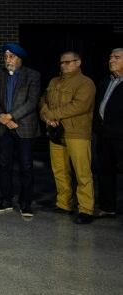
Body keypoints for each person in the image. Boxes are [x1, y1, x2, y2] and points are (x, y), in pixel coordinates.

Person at [40, 51, 96, 224]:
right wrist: (46, 116)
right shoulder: (54, 81)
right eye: (62, 63)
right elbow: (43, 101)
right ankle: (64, 204)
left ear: (78, 62)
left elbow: (79, 106)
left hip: (77, 133)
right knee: (60, 170)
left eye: (68, 62)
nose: (64, 65)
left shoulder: (86, 83)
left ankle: (86, 209)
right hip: (55, 132)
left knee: (82, 173)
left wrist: (53, 115)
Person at [0, 43, 41, 216]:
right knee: (4, 165)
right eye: (5, 56)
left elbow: (32, 102)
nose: (7, 59)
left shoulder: (32, 75)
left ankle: (26, 204)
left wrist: (11, 116)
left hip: (24, 127)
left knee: (25, 166)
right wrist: (2, 117)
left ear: (20, 59)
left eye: (11, 56)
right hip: (3, 128)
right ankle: (6, 200)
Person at [95, 48, 123, 218]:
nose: (111, 60)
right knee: (105, 171)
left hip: (121, 136)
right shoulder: (106, 81)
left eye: (117, 57)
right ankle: (107, 207)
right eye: (110, 57)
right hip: (104, 135)